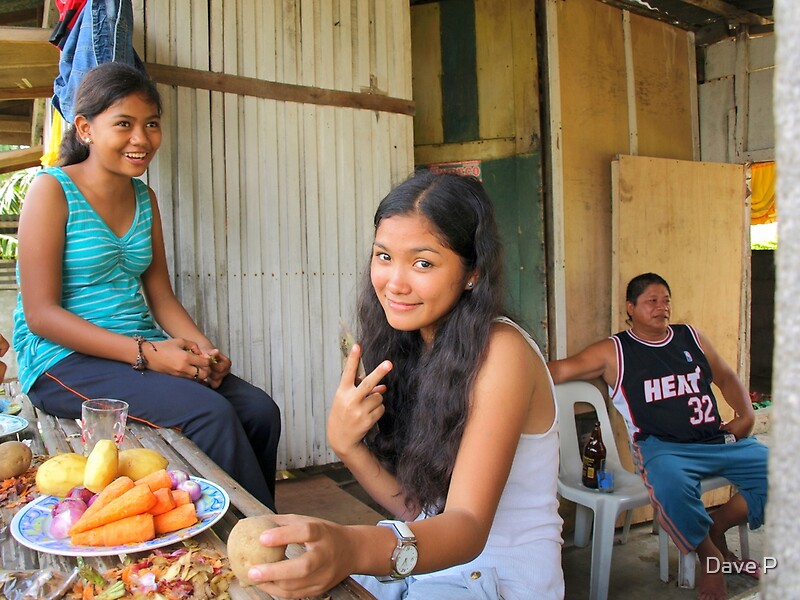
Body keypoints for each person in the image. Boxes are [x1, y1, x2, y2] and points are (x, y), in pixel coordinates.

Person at [246, 171, 564, 600]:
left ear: (472, 273)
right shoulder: (412, 345)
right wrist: (348, 446)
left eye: (423, 263)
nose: (394, 283)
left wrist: (353, 547)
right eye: (383, 256)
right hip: (432, 567)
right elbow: (421, 512)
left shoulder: (501, 353)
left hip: (498, 578)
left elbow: (467, 526)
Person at [12, 62, 281, 511]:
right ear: (85, 128)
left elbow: (161, 295)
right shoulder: (51, 190)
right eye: (124, 124)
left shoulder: (144, 198)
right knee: (209, 414)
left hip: (138, 350)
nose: (142, 139)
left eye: (151, 124)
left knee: (258, 410)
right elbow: (41, 314)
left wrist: (205, 351)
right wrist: (148, 353)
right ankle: (253, 536)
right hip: (63, 360)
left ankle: (257, 529)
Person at [547, 272, 768, 600]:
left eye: (666, 300)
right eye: (652, 300)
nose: (661, 307)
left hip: (715, 440)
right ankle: (709, 555)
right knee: (669, 485)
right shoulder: (615, 351)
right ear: (631, 307)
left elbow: (724, 375)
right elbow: (561, 370)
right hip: (664, 448)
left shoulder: (691, 337)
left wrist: (746, 414)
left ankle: (716, 524)